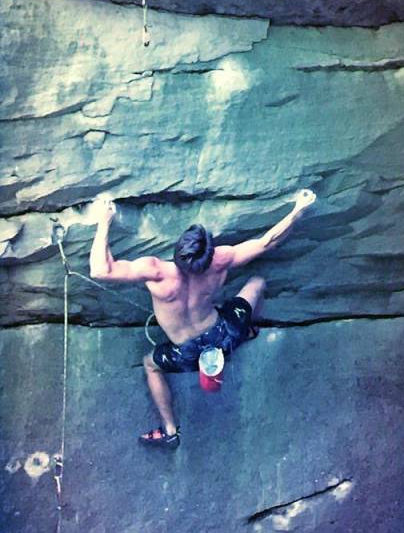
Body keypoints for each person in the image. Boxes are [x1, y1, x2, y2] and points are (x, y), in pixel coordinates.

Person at [90, 188, 316, 448]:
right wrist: (298, 210)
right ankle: (248, 330)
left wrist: (104, 222)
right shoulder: (220, 261)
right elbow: (268, 242)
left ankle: (170, 431)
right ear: (209, 253)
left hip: (185, 353)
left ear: (178, 251)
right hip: (224, 334)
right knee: (257, 282)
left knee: (150, 364)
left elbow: (100, 270)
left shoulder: (156, 271)